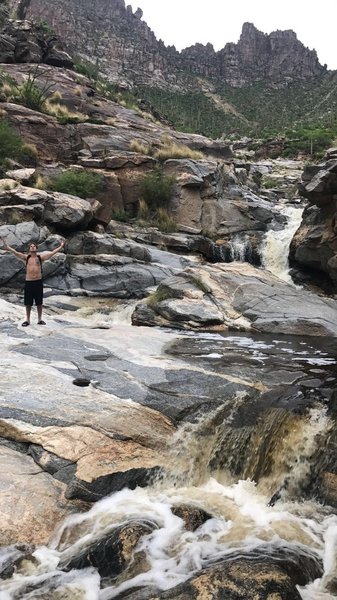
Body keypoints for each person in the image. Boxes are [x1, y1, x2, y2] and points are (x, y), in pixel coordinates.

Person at [1, 238, 65, 326]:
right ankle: (27, 320)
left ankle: (39, 319)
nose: (32, 248)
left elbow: (52, 253)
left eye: (34, 246)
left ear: (36, 248)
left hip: (38, 282)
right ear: (29, 249)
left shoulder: (40, 258)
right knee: (28, 303)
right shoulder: (26, 258)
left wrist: (61, 246)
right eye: (31, 246)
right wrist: (7, 246)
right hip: (29, 283)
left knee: (39, 302)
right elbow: (15, 252)